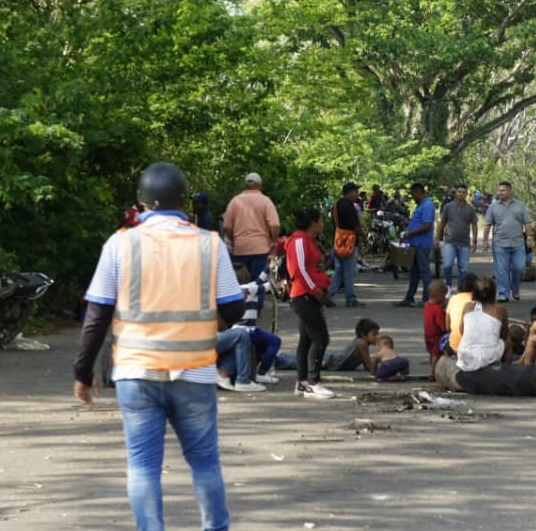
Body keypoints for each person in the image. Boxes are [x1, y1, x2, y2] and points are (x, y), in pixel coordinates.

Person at [73, 161, 241, 531]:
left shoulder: (120, 243)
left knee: (143, 465)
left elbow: (97, 315)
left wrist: (83, 373)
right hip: (194, 371)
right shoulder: (209, 244)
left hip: (137, 372)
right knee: (205, 463)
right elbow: (233, 306)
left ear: (143, 203)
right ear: (184, 200)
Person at [285, 207, 335, 399]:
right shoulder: (298, 240)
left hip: (309, 294)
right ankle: (313, 382)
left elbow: (310, 266)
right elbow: (298, 270)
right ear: (313, 223)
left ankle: (302, 382)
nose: (323, 224)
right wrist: (315, 290)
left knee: (307, 339)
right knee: (321, 337)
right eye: (321, 221)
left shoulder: (308, 241)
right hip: (304, 295)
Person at [223, 172, 280, 302]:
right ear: (260, 186)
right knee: (258, 283)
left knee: (241, 283)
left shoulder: (235, 201)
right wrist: (273, 241)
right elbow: (275, 225)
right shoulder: (266, 201)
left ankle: (241, 311)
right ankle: (256, 311)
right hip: (260, 249)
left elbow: (227, 226)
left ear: (245, 185)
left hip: (240, 249)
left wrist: (233, 240)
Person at [482, 181, 533, 302]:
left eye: (503, 190)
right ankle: (503, 294)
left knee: (520, 268)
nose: (500, 192)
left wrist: (529, 238)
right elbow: (487, 224)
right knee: (501, 270)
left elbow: (527, 222)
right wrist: (485, 241)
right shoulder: (493, 207)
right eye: (499, 190)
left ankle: (515, 288)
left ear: (510, 191)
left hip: (518, 243)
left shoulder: (520, 205)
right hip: (500, 243)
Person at [276, 318, 380, 373]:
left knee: (302, 359)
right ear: (363, 334)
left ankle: (278, 356)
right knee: (299, 364)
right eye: (374, 334)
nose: (377, 337)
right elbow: (369, 367)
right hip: (331, 361)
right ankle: (275, 360)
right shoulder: (362, 344)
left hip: (332, 358)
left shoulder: (361, 341)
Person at [456, 277, 511, 372]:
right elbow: (504, 334)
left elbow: (461, 331)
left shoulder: (467, 306)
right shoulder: (500, 310)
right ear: (494, 293)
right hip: (487, 356)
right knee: (508, 340)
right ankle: (506, 371)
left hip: (464, 355)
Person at [394, 183, 435, 307]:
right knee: (414, 272)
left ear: (419, 193)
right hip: (415, 243)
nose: (413, 198)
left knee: (424, 271)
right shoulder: (421, 205)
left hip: (422, 243)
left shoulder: (427, 205)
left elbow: (427, 226)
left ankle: (427, 299)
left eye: (413, 195)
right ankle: (409, 298)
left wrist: (409, 233)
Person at [435, 184, 478, 293]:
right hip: (450, 241)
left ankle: (461, 289)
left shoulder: (470, 209)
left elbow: (474, 225)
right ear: (456, 193)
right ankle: (448, 286)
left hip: (464, 243)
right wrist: (437, 238)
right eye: (459, 192)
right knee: (447, 265)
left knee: (463, 269)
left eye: (463, 192)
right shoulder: (448, 207)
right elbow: (442, 223)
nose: (461, 194)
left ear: (466, 194)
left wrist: (474, 241)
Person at [330, 182, 366, 307]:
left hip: (338, 241)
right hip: (350, 243)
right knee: (349, 272)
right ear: (350, 192)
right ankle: (350, 299)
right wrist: (364, 237)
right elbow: (356, 226)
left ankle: (328, 295)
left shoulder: (336, 205)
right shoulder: (350, 206)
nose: (357, 194)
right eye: (355, 191)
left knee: (339, 270)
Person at [445, 272, 478, 355]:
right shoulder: (477, 302)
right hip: (471, 348)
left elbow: (447, 327)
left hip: (453, 346)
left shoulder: (453, 299)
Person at [423, 279, 448, 378]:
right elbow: (442, 325)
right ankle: (432, 372)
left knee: (431, 352)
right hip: (436, 335)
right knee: (435, 354)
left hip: (427, 334)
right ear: (439, 295)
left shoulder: (427, 305)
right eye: (444, 295)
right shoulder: (438, 310)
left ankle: (432, 367)